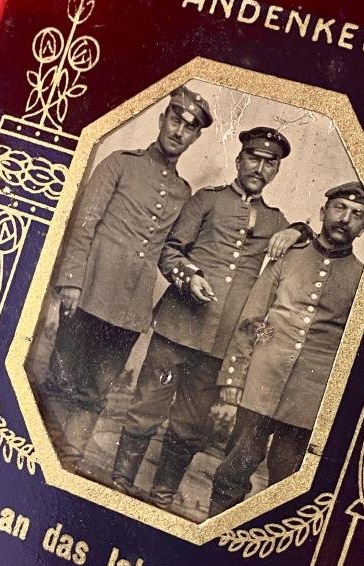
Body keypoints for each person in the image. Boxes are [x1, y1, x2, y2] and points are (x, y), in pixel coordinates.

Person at [110, 127, 311, 503]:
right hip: (177, 326)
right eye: (253, 158)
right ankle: (119, 481)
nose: (260, 167)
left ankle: (163, 493)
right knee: (146, 406)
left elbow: (316, 244)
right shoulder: (206, 201)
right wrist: (191, 277)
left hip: (221, 342)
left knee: (190, 424)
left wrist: (299, 229)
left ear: (276, 172)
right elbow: (170, 250)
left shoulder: (275, 221)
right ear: (239, 160)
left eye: (270, 163)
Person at [40, 86, 213, 468]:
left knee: (97, 390)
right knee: (61, 379)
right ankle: (40, 454)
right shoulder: (120, 163)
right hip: (89, 292)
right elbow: (84, 224)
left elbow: (169, 254)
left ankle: (68, 461)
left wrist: (190, 276)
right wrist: (71, 279)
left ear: (195, 137)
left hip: (130, 309)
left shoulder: (182, 192)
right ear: (162, 119)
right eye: (175, 120)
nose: (179, 131)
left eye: (189, 128)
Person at [207, 181, 364, 516]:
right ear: (323, 212)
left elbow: (350, 345)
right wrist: (246, 367)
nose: (345, 219)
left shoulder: (361, 279)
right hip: (262, 382)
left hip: (310, 394)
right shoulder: (287, 259)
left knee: (286, 481)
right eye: (339, 208)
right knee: (235, 467)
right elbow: (254, 318)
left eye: (357, 215)